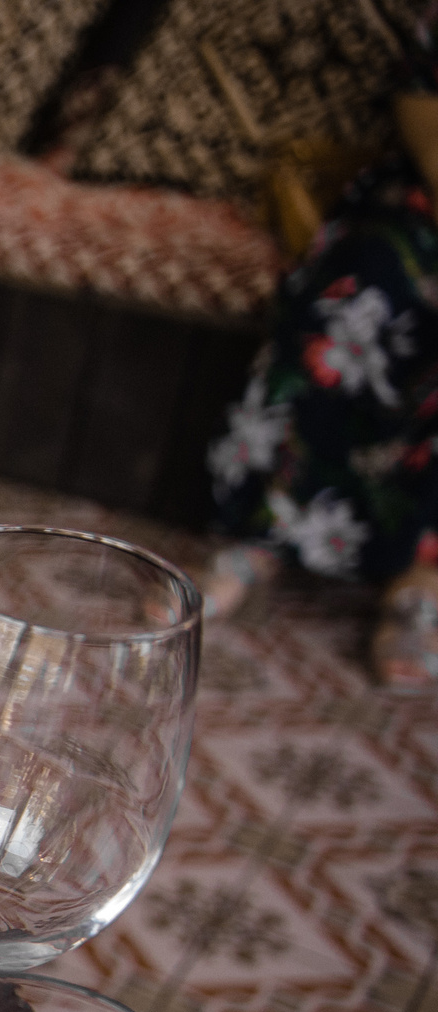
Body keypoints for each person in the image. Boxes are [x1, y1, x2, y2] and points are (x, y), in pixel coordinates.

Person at [202, 4, 438, 690]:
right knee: (364, 288)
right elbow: (424, 107)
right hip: (422, 200)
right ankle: (264, 535)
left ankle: (423, 581)